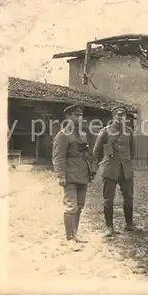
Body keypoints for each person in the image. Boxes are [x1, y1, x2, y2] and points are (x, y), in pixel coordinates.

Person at [52, 104, 97, 251]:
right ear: (68, 117)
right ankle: (69, 238)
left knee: (79, 206)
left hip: (83, 175)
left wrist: (93, 168)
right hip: (70, 176)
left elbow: (88, 155)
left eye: (80, 115)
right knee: (71, 207)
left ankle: (75, 234)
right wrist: (61, 176)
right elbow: (58, 158)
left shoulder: (83, 135)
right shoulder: (62, 135)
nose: (79, 118)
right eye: (76, 115)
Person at [93, 106, 136, 237]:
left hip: (126, 170)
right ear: (113, 116)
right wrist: (105, 162)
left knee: (128, 198)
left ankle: (129, 224)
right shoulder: (105, 131)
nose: (119, 116)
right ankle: (109, 227)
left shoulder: (129, 131)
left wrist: (126, 162)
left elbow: (132, 151)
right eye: (117, 114)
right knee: (108, 199)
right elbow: (96, 151)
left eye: (122, 114)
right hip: (110, 169)